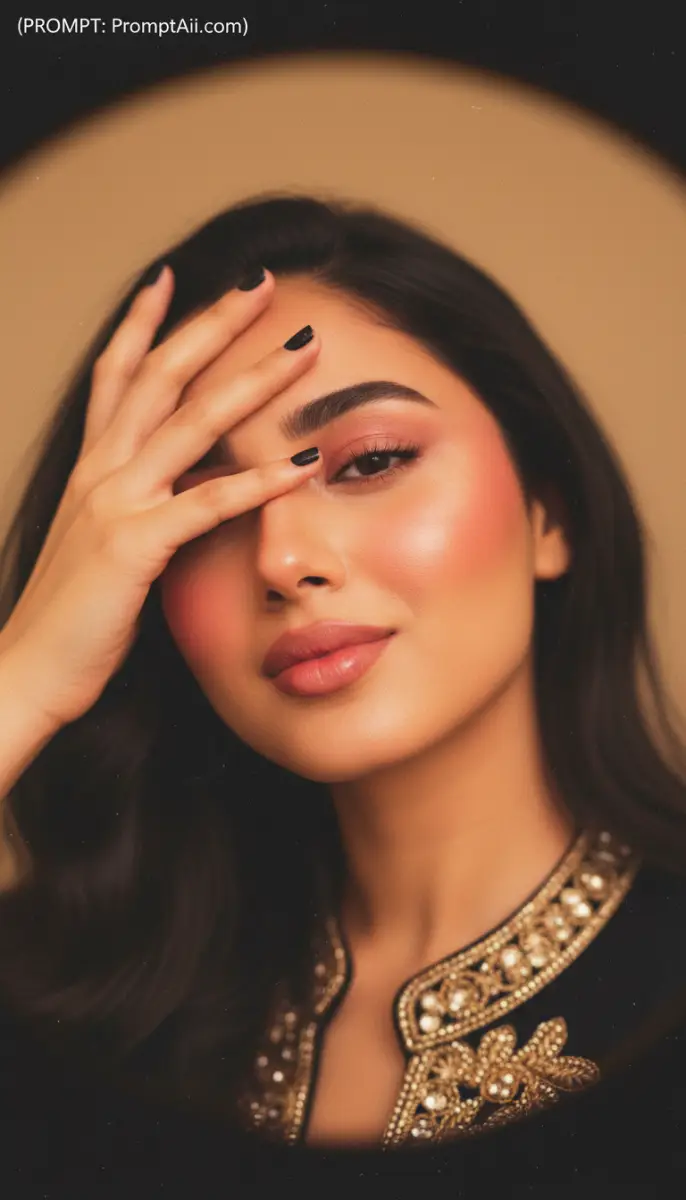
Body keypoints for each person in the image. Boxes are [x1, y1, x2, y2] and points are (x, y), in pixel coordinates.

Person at [0, 193, 685, 1191]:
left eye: (370, 461)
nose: (281, 559)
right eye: (202, 509)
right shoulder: (77, 994)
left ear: (550, 510)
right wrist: (21, 676)